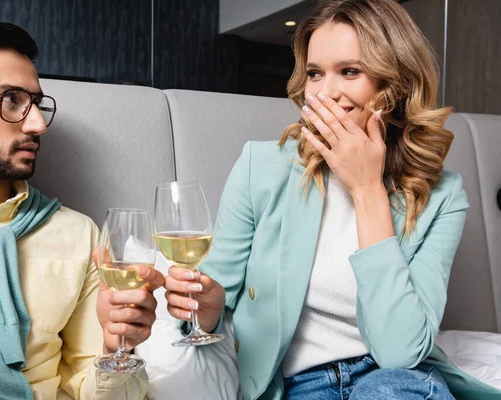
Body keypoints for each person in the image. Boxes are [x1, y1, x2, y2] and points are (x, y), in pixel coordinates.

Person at [164, 0, 501, 399]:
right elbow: (214, 299)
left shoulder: (444, 195)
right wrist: (206, 306)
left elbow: (401, 351)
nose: (325, 93)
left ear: (396, 85)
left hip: (394, 381)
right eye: (314, 74)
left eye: (350, 72)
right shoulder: (261, 167)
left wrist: (367, 190)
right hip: (299, 386)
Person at [0, 21, 163, 399]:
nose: (38, 124)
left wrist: (113, 347)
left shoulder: (80, 236)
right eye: (11, 100)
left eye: (36, 103)